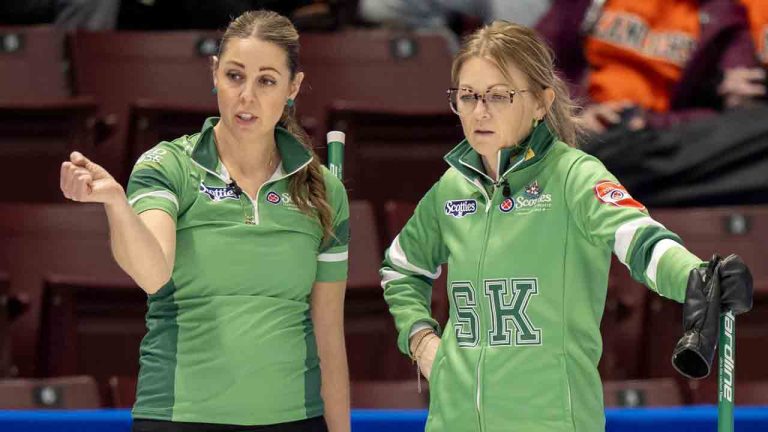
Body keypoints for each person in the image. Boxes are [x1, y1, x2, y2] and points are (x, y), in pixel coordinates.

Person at [380, 21, 753, 431]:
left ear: (542, 102)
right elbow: (401, 269)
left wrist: (695, 277)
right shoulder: (451, 188)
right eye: (467, 97)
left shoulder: (575, 176)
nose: (479, 111)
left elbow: (640, 238)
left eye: (499, 96)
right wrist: (421, 340)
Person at [59, 10, 350, 432]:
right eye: (234, 76)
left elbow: (329, 336)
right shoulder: (167, 165)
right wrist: (116, 204)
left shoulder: (324, 190)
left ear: (293, 87)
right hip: (179, 417)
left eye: (266, 80)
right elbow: (153, 272)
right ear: (214, 73)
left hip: (295, 419)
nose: (246, 95)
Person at [536, 0, 762, 133]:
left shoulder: (724, 15)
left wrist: (651, 123)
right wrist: (579, 112)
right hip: (583, 126)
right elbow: (533, 59)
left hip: (662, 140)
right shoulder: (590, 4)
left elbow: (733, 112)